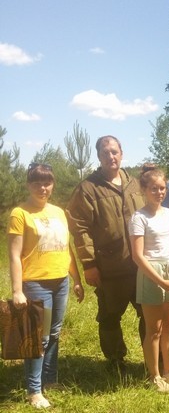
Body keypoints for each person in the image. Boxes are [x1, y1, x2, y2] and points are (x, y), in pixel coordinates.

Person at [8, 163, 84, 409]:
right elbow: (14, 255)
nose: (43, 188)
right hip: (35, 283)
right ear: (28, 185)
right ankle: (34, 390)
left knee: (54, 334)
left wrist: (76, 279)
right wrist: (17, 290)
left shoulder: (59, 212)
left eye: (47, 183)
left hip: (60, 281)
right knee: (38, 338)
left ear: (53, 184)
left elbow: (66, 248)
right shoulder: (20, 213)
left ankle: (50, 381)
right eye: (37, 183)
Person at [66, 135, 145, 372]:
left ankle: (153, 357)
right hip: (109, 266)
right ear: (99, 157)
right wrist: (89, 264)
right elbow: (79, 229)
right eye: (105, 153)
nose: (111, 156)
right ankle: (115, 360)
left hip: (141, 266)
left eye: (114, 152)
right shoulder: (88, 189)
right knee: (110, 316)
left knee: (148, 312)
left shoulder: (136, 185)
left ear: (121, 153)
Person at [129, 164, 169, 391]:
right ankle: (154, 376)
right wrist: (162, 282)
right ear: (144, 190)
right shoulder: (139, 217)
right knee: (154, 328)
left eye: (162, 188)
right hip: (151, 273)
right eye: (154, 188)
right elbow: (137, 256)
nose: (159, 192)